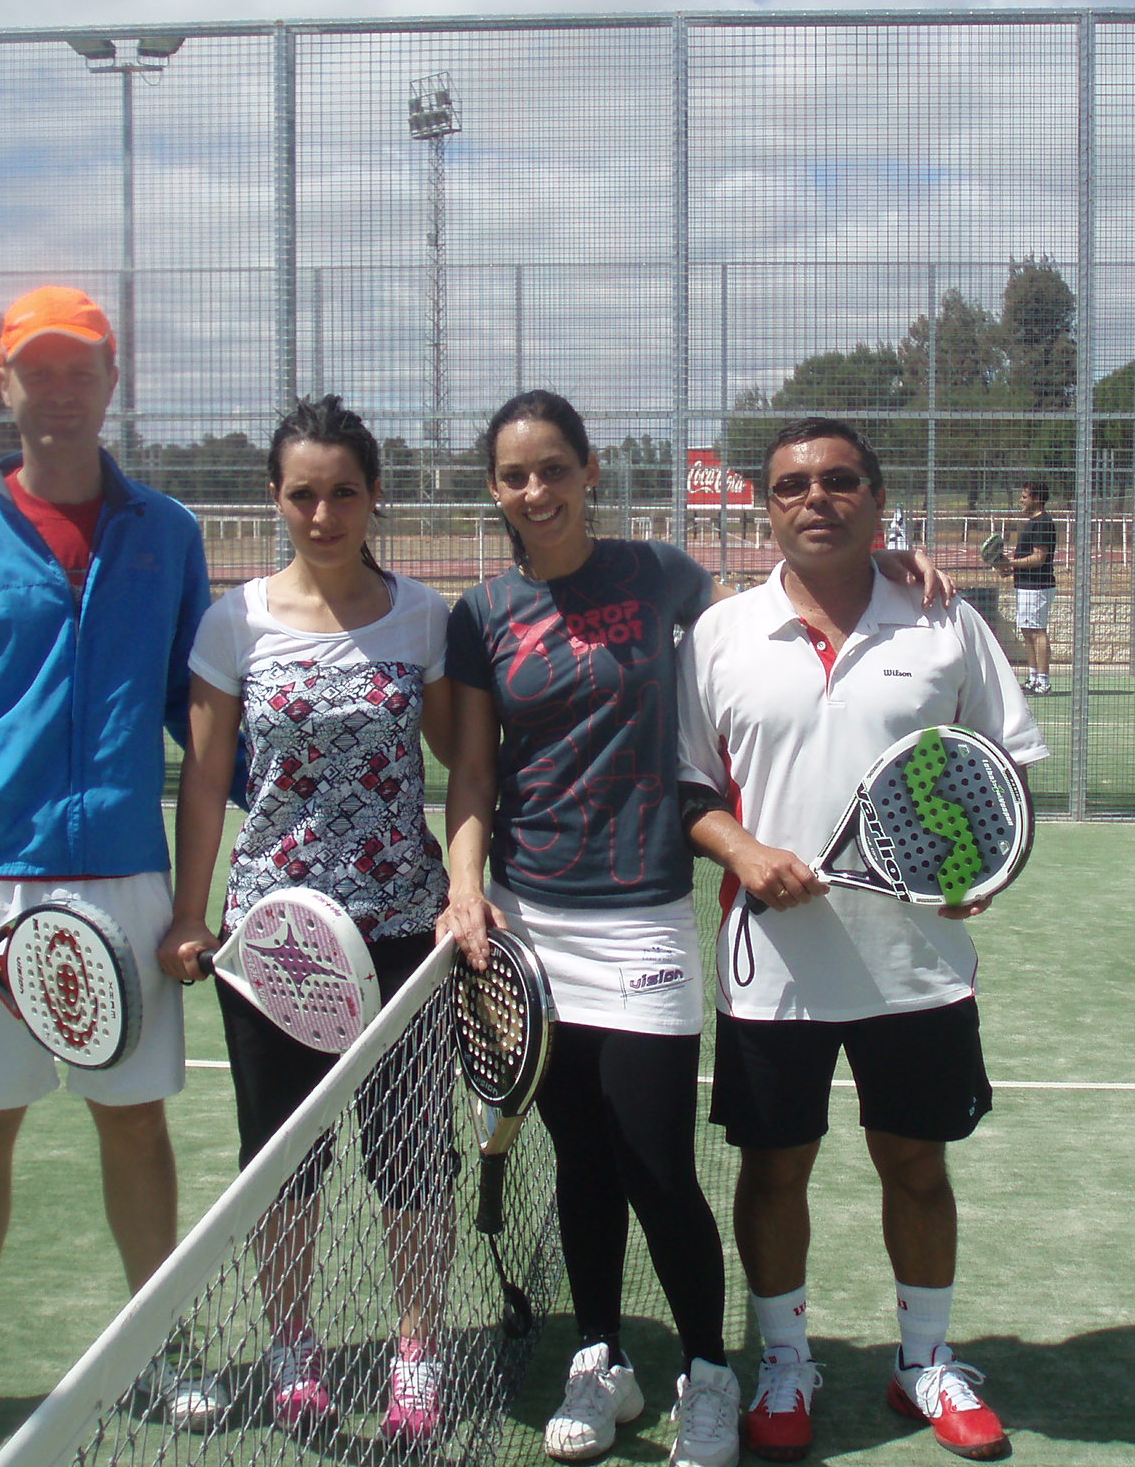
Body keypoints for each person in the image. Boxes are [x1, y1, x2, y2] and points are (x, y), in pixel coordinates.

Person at [440, 392, 952, 1467]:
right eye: (514, 475)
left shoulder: (662, 576)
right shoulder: (480, 613)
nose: (535, 490)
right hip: (531, 919)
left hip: (642, 921)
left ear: (588, 471)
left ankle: (707, 1374)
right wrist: (465, 886)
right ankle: (599, 1362)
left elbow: (768, 615)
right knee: (579, 1160)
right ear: (494, 489)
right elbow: (475, 773)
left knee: (656, 1166)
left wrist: (886, 571)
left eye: (553, 468)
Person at [0, 286, 214, 1467]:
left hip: (124, 882)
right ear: (2, 383)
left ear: (111, 382)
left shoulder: (167, 534)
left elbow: (196, 713)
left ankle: (155, 1343)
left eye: (79, 370)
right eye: (37, 370)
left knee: (135, 1127)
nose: (58, 391)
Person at [674, 419, 1046, 1464]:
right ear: (766, 507)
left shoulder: (944, 621)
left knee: (915, 1163)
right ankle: (785, 1363)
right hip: (772, 970)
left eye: (840, 481)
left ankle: (923, 1362)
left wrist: (976, 866)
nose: (816, 499)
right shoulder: (721, 634)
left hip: (915, 967)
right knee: (773, 1169)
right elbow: (688, 786)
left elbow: (1005, 765)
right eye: (792, 485)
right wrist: (744, 851)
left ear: (878, 503)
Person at [156, 393, 457, 1444]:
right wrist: (189, 916)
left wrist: (472, 887)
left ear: (374, 497)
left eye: (342, 492)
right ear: (275, 501)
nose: (322, 514)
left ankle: (416, 1355)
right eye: (302, 495)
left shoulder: (424, 618)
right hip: (271, 943)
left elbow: (468, 763)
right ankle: (294, 1350)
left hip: (403, 933)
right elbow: (205, 782)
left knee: (412, 1159)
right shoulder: (230, 622)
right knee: (282, 1163)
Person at [1001, 479, 1058, 696]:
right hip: (1025, 585)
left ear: (1036, 498)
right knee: (1027, 631)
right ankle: (1033, 678)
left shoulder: (1043, 522)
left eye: (1024, 496)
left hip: (1038, 586)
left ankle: (1043, 681)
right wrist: (1009, 567)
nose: (1021, 500)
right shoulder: (1032, 522)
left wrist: (1012, 563)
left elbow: (1038, 558)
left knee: (1037, 632)